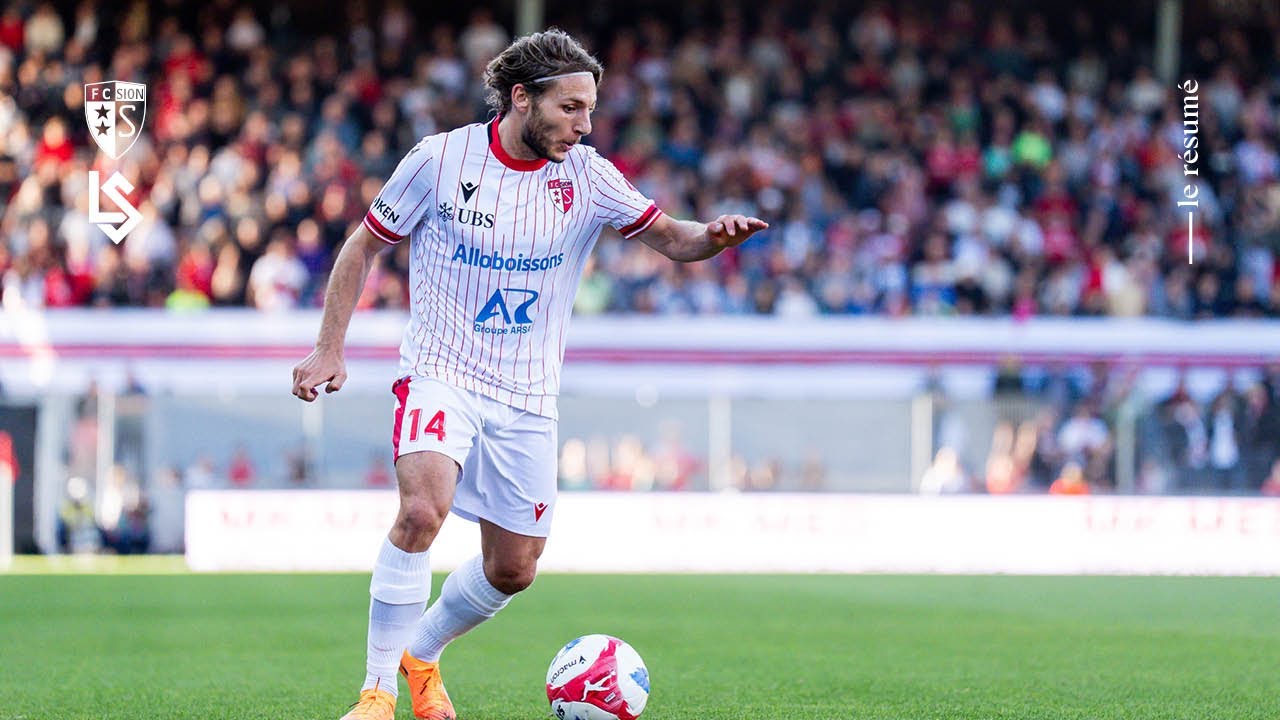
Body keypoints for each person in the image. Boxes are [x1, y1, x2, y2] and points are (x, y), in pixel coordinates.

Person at [290, 29, 767, 720]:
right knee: (422, 512)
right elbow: (364, 245)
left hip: (527, 393)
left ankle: (419, 654)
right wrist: (330, 347)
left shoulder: (589, 175)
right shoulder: (440, 160)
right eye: (571, 107)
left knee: (513, 568)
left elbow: (673, 237)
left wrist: (711, 237)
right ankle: (377, 693)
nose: (586, 123)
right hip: (440, 370)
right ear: (522, 98)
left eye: (591, 108)